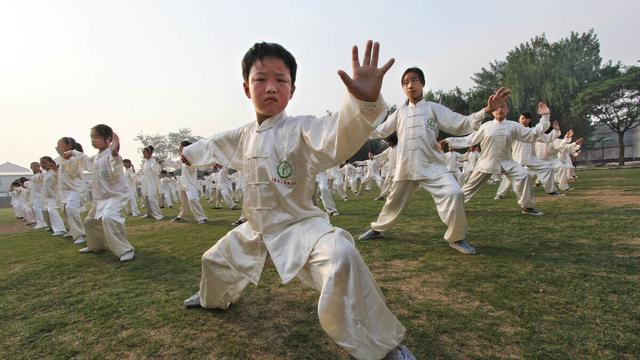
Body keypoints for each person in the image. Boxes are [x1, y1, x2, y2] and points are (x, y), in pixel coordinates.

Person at [181, 41, 414, 360]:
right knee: (213, 261)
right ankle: (211, 299)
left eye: (281, 80)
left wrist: (364, 100)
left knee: (342, 256)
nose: (271, 88)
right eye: (261, 79)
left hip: (300, 227)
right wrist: (189, 154)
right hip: (255, 229)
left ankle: (381, 346)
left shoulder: (303, 128)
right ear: (247, 88)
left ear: (292, 89)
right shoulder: (243, 135)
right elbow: (214, 144)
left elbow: (337, 135)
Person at [359, 66, 511, 255]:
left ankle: (456, 238)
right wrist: (358, 125)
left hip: (432, 166)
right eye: (405, 83)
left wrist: (486, 110)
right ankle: (377, 229)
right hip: (406, 167)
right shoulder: (400, 112)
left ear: (422, 83)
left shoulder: (433, 108)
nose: (410, 85)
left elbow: (460, 123)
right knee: (392, 202)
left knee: (455, 193)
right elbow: (379, 131)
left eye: (414, 81)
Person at [444, 102, 551, 216]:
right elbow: (469, 140)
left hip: (508, 162)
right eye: (497, 107)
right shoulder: (486, 126)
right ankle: (453, 207)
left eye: (503, 107)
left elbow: (532, 134)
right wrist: (448, 141)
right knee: (470, 187)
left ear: (507, 110)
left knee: (524, 176)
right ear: (492, 111)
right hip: (486, 163)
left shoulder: (513, 125)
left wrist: (545, 117)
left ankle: (528, 207)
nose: (500, 109)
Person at [66, 125, 135, 262]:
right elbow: (86, 160)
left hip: (115, 196)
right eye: (91, 137)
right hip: (100, 198)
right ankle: (95, 246)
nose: (93, 140)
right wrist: (73, 152)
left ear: (108, 139)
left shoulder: (111, 155)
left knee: (108, 218)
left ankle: (125, 250)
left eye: (96, 137)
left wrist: (115, 153)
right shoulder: (97, 157)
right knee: (90, 222)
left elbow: (116, 164)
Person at [494, 115, 564, 199]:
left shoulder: (533, 131)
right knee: (509, 177)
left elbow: (546, 139)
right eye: (522, 118)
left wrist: (556, 131)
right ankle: (500, 194)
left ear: (529, 120)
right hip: (516, 158)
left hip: (531, 158)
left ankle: (551, 191)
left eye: (526, 119)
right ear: (519, 119)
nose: (524, 120)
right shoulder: (514, 130)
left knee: (546, 168)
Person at [164, 141, 208, 224]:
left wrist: (188, 163)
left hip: (190, 183)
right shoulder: (183, 158)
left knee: (192, 199)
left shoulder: (193, 157)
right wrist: (165, 161)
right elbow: (176, 164)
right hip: (183, 183)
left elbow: (194, 167)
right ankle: (181, 216)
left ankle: (202, 217)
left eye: (181, 147)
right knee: (184, 202)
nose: (179, 149)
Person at [55, 137, 87, 245]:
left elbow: (72, 170)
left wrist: (63, 157)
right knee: (66, 210)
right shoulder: (63, 158)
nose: (57, 146)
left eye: (60, 144)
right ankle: (72, 231)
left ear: (68, 146)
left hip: (76, 190)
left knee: (71, 209)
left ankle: (81, 235)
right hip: (66, 191)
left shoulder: (74, 158)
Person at [40, 156, 67, 236]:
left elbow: (59, 176)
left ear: (50, 162)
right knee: (50, 212)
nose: (43, 165)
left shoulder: (54, 171)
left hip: (54, 196)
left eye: (44, 162)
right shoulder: (46, 174)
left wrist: (55, 169)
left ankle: (61, 229)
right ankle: (56, 229)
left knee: (52, 211)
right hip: (47, 197)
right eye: (41, 163)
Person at [140, 145, 164, 220]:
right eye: (143, 152)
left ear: (150, 153)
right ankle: (149, 213)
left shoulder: (153, 161)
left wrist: (157, 164)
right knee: (146, 199)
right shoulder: (146, 162)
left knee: (152, 199)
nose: (144, 154)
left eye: (145, 152)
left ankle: (158, 214)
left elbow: (157, 171)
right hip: (146, 183)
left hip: (152, 184)